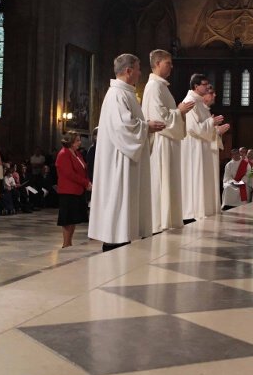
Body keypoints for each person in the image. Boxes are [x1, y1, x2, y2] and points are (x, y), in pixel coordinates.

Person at [88, 54, 165, 251]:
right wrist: (146, 126)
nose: (140, 73)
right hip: (119, 161)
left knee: (126, 208)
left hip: (127, 158)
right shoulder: (116, 94)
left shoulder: (125, 93)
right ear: (128, 71)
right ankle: (115, 243)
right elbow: (123, 126)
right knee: (118, 207)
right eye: (138, 69)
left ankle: (122, 241)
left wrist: (146, 127)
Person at [142, 49, 194, 234]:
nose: (171, 66)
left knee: (170, 180)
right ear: (157, 64)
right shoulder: (154, 87)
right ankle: (160, 221)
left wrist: (179, 113)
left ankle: (169, 219)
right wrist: (179, 111)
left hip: (169, 141)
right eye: (168, 63)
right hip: (162, 142)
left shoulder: (162, 86)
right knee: (162, 180)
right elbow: (158, 118)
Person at [180, 74, 228, 223]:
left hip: (203, 148)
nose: (208, 87)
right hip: (195, 150)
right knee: (196, 178)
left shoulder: (200, 103)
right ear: (196, 86)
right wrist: (211, 123)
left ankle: (205, 209)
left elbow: (205, 128)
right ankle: (195, 211)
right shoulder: (190, 101)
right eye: (205, 84)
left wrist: (215, 129)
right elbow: (193, 128)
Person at [56, 131, 91, 248]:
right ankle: (66, 243)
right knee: (67, 219)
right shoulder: (63, 154)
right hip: (68, 190)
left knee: (73, 218)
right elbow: (69, 174)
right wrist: (86, 183)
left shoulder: (76, 154)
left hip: (77, 190)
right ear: (70, 142)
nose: (80, 143)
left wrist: (87, 182)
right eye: (77, 140)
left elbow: (83, 169)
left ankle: (69, 242)